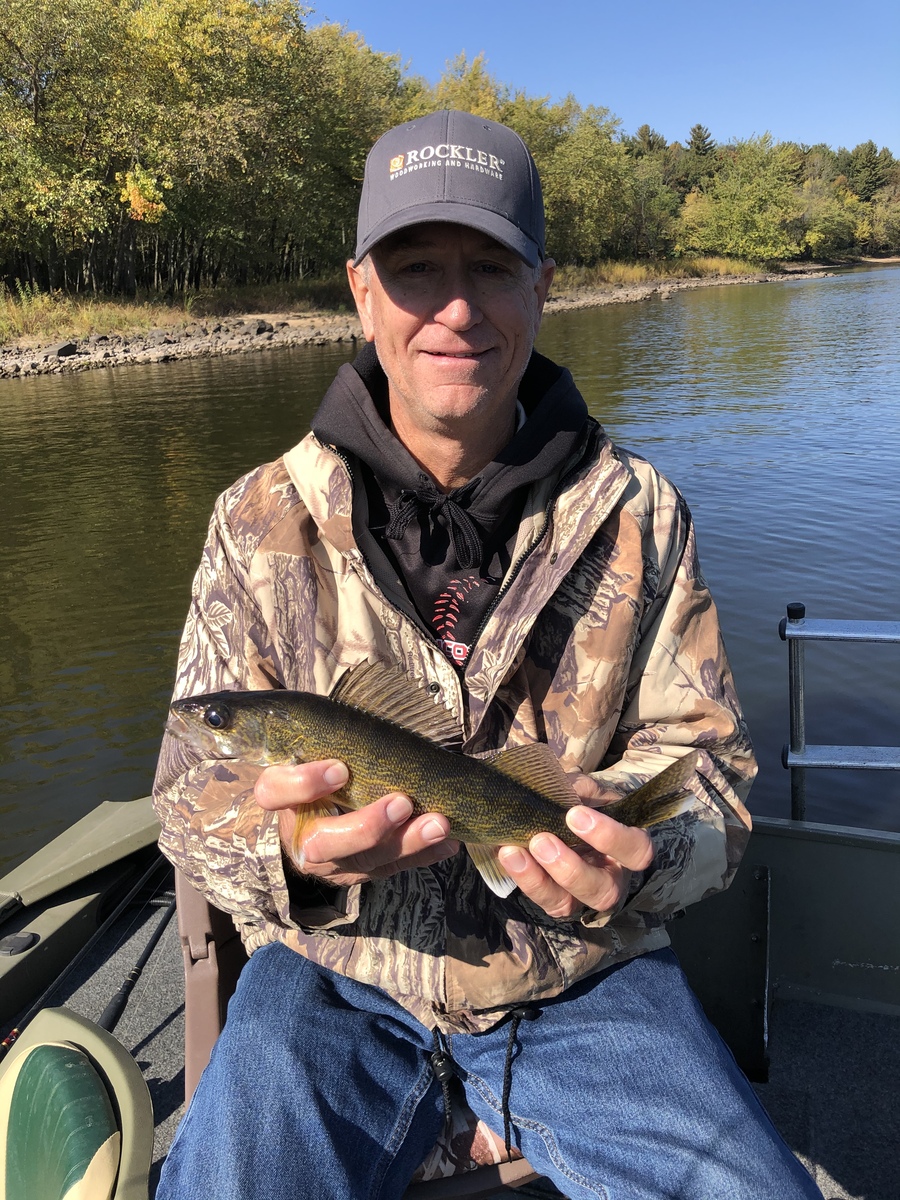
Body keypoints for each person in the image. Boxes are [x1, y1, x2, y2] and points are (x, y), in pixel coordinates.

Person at [153, 110, 822, 1199]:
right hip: (334, 979)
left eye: (491, 267)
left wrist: (639, 859)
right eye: (417, 270)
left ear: (543, 285)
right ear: (362, 290)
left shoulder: (641, 512)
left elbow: (714, 781)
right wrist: (290, 855)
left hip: (584, 980)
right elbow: (186, 800)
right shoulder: (256, 517)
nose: (455, 308)